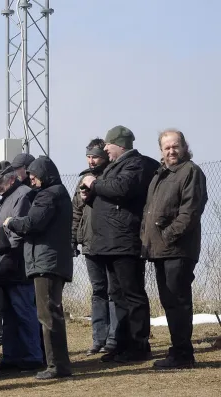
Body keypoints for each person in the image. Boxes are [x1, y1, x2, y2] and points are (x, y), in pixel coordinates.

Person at [81, 126, 159, 363]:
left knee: (132, 293)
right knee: (118, 294)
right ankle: (122, 344)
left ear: (120, 145)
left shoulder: (135, 165)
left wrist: (93, 184)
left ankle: (139, 345)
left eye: (107, 145)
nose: (104, 149)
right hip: (110, 242)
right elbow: (109, 192)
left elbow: (121, 189)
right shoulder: (114, 167)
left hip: (125, 240)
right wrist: (91, 195)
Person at [142, 129, 208, 369]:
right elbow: (149, 211)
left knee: (178, 301)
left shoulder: (190, 172)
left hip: (178, 250)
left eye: (175, 146)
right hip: (159, 250)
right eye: (166, 147)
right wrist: (146, 238)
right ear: (161, 150)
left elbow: (189, 212)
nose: (171, 151)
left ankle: (182, 355)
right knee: (169, 302)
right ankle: (178, 351)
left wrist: (168, 236)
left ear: (184, 147)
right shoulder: (161, 175)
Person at [5, 156, 73, 380]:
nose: (32, 182)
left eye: (34, 178)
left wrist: (11, 222)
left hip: (46, 262)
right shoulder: (57, 193)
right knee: (50, 313)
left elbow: (33, 223)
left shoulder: (48, 196)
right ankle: (57, 363)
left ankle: (57, 365)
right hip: (51, 260)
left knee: (48, 315)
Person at [0, 161, 43, 372]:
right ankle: (11, 356)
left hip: (17, 263)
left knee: (23, 312)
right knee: (8, 313)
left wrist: (7, 251)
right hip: (6, 264)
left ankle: (31, 357)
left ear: (10, 178)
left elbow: (19, 231)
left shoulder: (23, 195)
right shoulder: (8, 197)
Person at [72, 138, 118, 356]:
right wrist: (73, 239)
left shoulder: (112, 177)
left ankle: (114, 338)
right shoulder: (83, 179)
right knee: (98, 291)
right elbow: (75, 212)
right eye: (88, 156)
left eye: (95, 156)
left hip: (110, 244)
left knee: (112, 291)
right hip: (90, 244)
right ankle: (98, 338)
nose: (91, 161)